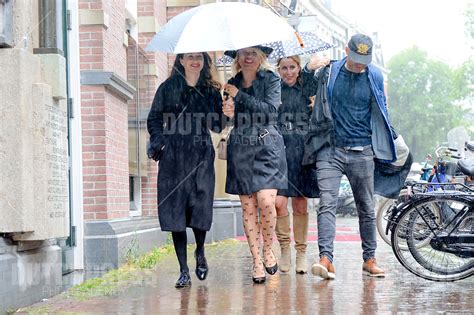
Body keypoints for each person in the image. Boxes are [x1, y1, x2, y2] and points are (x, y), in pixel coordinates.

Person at [304, 34, 398, 279]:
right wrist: (308, 67)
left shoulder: (374, 75)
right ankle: (326, 259)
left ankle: (369, 259)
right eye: (355, 59)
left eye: (363, 60)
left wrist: (388, 137)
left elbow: (382, 108)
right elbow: (303, 87)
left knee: (366, 208)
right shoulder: (330, 71)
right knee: (327, 203)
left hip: (363, 151)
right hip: (330, 149)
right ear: (346, 50)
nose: (359, 65)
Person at [147, 52, 224, 288]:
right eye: (190, 57)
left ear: (204, 61)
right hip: (174, 157)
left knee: (200, 207)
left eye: (199, 57)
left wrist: (225, 109)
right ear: (180, 60)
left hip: (201, 153)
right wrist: (161, 142)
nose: (195, 61)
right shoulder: (167, 88)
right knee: (176, 211)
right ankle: (183, 270)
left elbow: (217, 125)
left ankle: (200, 251)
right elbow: (154, 119)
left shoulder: (210, 90)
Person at [222, 45, 288, 284]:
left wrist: (239, 96)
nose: (248, 56)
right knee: (248, 208)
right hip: (241, 147)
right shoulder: (231, 82)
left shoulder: (271, 79)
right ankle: (256, 261)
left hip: (267, 145)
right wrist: (227, 112)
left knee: (266, 201)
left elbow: (270, 112)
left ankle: (268, 249)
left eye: (253, 52)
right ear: (237, 58)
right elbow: (223, 122)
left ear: (260, 57)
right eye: (243, 53)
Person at [274, 55, 327, 274]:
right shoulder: (274, 90)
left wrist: (306, 69)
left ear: (297, 68)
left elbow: (310, 78)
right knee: (278, 202)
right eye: (284, 68)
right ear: (278, 70)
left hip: (302, 151)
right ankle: (285, 249)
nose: (288, 72)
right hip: (279, 151)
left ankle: (301, 252)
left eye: (292, 67)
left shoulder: (306, 86)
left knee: (300, 204)